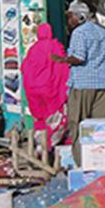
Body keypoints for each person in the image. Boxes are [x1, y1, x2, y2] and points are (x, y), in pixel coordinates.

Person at [60, 0, 105, 159]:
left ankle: (83, 163)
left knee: (79, 125)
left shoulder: (79, 33)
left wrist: (64, 60)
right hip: (104, 85)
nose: (69, 20)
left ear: (79, 17)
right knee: (101, 129)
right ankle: (102, 161)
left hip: (83, 85)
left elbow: (79, 57)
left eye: (70, 16)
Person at [20, 22, 70, 158]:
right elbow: (62, 66)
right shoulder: (55, 47)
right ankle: (49, 145)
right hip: (51, 90)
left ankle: (39, 146)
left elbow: (24, 67)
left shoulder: (32, 49)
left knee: (40, 118)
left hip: (34, 91)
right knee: (56, 118)